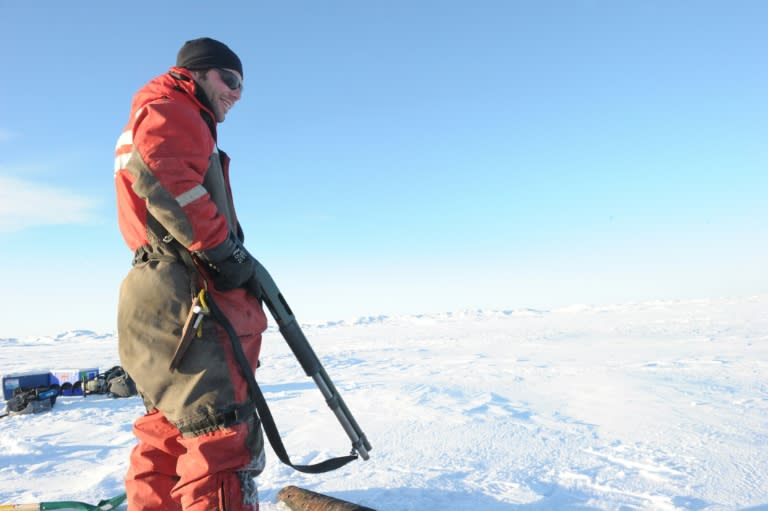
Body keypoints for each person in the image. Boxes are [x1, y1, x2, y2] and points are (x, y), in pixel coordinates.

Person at [114, 37, 267, 511]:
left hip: (152, 293)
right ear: (197, 73)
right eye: (231, 80)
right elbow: (165, 175)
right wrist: (222, 249)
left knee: (168, 428)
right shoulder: (172, 107)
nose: (237, 94)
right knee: (219, 433)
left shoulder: (155, 113)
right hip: (186, 293)